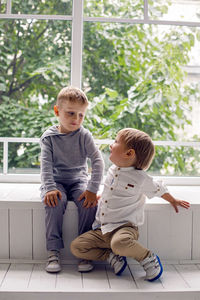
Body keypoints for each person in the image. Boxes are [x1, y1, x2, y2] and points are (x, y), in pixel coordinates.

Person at [70, 128, 190, 281]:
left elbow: (157, 188)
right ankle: (111, 257)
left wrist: (173, 200)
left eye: (116, 142)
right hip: (103, 229)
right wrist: (98, 196)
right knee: (76, 247)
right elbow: (110, 190)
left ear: (129, 154)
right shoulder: (112, 170)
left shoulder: (140, 178)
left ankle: (148, 258)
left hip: (124, 228)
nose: (111, 145)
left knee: (119, 243)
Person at [40, 86, 104, 273]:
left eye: (81, 115)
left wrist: (92, 189)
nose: (76, 119)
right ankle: (53, 251)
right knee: (54, 202)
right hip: (56, 181)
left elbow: (98, 161)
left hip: (78, 180)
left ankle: (84, 250)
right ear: (57, 111)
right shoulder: (49, 138)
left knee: (88, 203)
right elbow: (45, 165)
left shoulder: (84, 135)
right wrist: (50, 188)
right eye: (70, 113)